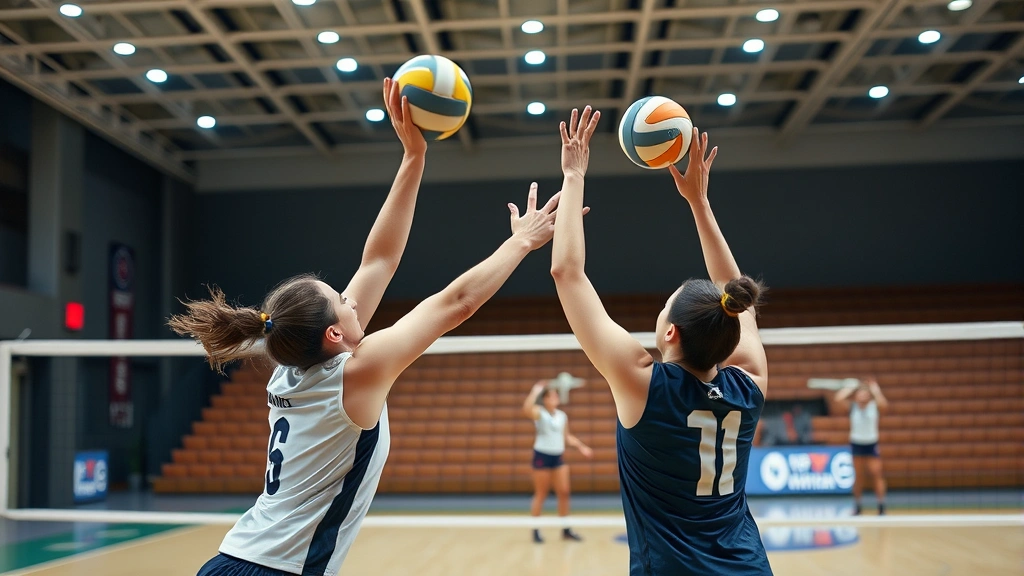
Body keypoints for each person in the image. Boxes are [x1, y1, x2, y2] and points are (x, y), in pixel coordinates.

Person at [170, 78, 573, 576]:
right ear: (334, 334)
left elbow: (378, 259)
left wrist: (413, 158)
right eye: (341, 300)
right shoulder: (352, 375)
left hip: (236, 557)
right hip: (281, 570)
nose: (350, 296)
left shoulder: (292, 361)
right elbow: (457, 304)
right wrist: (522, 243)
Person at [549, 106, 772, 575]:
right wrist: (699, 203)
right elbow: (737, 293)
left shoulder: (644, 384)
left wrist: (573, 173)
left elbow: (567, 273)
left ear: (669, 331)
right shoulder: (748, 384)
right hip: (748, 566)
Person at [522, 380, 593, 543]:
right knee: (541, 493)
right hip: (542, 456)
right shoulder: (540, 413)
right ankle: (535, 530)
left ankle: (566, 529)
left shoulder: (562, 416)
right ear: (545, 399)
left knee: (564, 492)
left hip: (558, 457)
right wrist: (535, 390)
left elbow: (567, 436)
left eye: (555, 395)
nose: (555, 397)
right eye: (551, 395)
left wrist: (582, 447)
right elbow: (526, 409)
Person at [834, 378, 889, 515]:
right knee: (858, 477)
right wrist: (850, 388)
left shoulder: (874, 407)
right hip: (857, 444)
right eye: (860, 393)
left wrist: (875, 390)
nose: (862, 396)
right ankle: (858, 506)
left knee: (876, 474)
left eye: (865, 394)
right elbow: (838, 399)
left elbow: (884, 404)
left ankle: (881, 505)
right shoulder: (852, 407)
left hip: (871, 444)